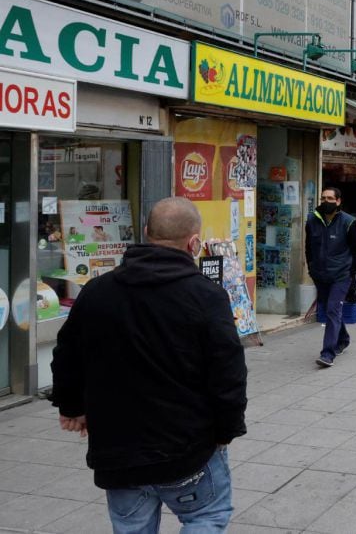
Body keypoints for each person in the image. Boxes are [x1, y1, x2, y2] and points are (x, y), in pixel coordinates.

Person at [51, 197, 247, 532]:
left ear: (146, 232)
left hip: (118, 450)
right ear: (194, 243)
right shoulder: (206, 296)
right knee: (206, 517)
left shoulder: (97, 291)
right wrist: (227, 429)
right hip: (187, 449)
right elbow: (228, 372)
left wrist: (71, 406)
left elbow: (66, 354)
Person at [306, 187, 356, 368]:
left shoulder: (348, 222)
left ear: (338, 201)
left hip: (341, 275)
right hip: (320, 274)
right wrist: (311, 268)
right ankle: (343, 338)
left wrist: (352, 272)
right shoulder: (312, 220)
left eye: (330, 198)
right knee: (329, 309)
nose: (326, 201)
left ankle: (327, 354)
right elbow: (309, 247)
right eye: (323, 198)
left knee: (332, 309)